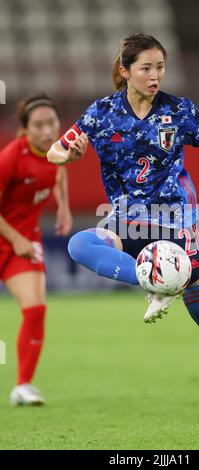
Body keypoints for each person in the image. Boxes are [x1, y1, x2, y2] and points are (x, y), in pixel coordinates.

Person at [47, 33, 199, 430]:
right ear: (125, 71)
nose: (155, 76)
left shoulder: (179, 111)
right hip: (126, 219)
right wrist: (71, 153)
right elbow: (54, 151)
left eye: (160, 67)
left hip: (177, 220)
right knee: (80, 244)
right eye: (146, 68)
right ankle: (152, 282)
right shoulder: (101, 113)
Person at [0, 93, 73, 405]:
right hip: (11, 237)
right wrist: (14, 238)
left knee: (35, 310)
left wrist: (64, 207)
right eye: (39, 126)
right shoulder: (11, 158)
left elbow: (60, 170)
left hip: (24, 241)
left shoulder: (57, 151)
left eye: (52, 124)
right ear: (25, 129)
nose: (47, 132)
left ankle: (22, 386)